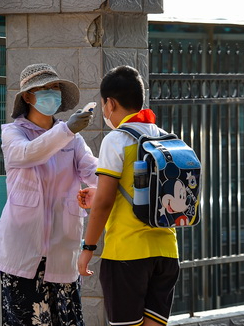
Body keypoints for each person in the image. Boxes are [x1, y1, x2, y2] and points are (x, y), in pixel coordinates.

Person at [0, 63, 98, 326]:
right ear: (27, 97)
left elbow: (95, 171)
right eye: (44, 88)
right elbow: (27, 154)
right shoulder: (13, 133)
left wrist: (104, 185)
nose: (51, 93)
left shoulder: (73, 140)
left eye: (55, 87)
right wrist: (66, 130)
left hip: (63, 250)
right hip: (22, 251)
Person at [77, 66, 180, 326]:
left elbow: (104, 204)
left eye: (103, 105)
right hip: (167, 253)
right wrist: (99, 193)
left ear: (110, 103)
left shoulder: (117, 139)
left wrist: (88, 249)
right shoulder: (162, 137)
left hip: (127, 254)